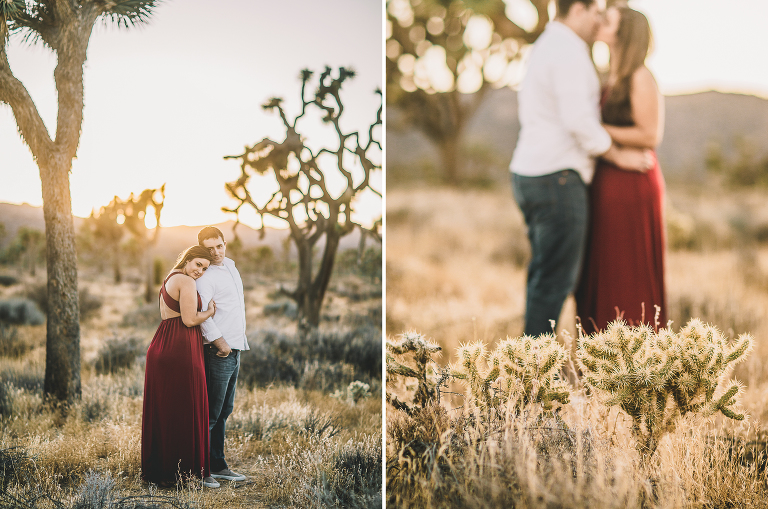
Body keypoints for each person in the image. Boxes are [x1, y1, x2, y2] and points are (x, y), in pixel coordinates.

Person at [509, 0, 652, 338]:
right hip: (557, 178)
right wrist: (617, 155)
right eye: (595, 13)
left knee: (544, 277)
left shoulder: (548, 45)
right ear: (577, 9)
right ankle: (533, 376)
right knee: (554, 283)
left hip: (533, 172)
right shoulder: (568, 51)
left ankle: (529, 367)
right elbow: (579, 121)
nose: (597, 21)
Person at [575, 5, 666, 334]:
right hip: (607, 181)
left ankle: (636, 360)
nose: (600, 22)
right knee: (605, 268)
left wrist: (596, 128)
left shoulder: (640, 76)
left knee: (628, 270)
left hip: (632, 183)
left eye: (608, 20)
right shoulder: (611, 75)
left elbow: (649, 134)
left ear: (623, 33)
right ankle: (598, 362)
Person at [141, 245, 220, 489]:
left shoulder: (169, 277)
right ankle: (184, 472)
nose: (200, 271)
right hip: (180, 346)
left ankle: (162, 469)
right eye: (198, 264)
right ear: (187, 260)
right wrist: (209, 312)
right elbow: (188, 319)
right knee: (185, 407)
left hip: (162, 342)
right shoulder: (186, 282)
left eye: (205, 269)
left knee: (167, 410)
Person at [195, 227, 249, 482]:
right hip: (218, 350)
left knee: (225, 410)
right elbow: (203, 314)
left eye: (219, 246)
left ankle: (217, 464)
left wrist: (233, 345)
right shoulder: (205, 277)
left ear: (225, 244)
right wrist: (221, 344)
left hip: (235, 347)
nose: (215, 252)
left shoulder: (230, 266)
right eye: (209, 248)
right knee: (211, 413)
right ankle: (200, 469)